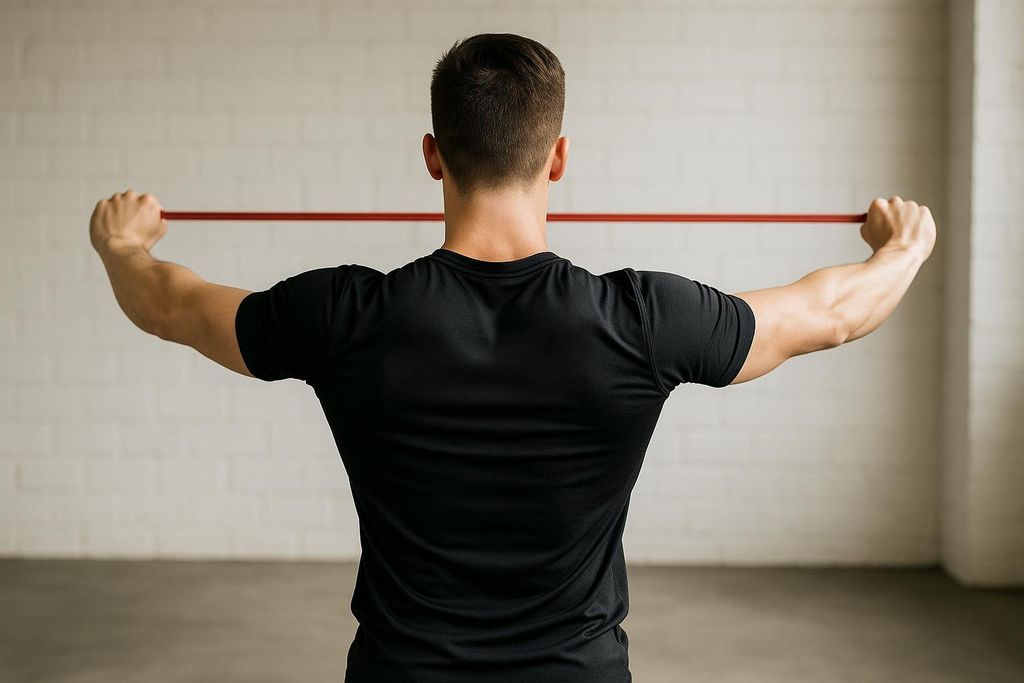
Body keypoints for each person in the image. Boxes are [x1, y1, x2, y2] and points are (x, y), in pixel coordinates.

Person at [89, 33, 936, 683]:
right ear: (558, 156)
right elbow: (830, 313)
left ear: (432, 155)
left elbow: (170, 304)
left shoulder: (346, 314)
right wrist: (903, 246)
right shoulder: (642, 318)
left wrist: (124, 244)